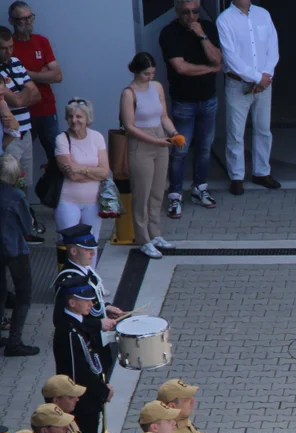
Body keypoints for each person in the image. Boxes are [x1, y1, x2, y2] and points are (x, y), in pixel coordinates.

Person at [160, 0, 221, 220]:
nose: (191, 17)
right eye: (186, 12)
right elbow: (181, 67)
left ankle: (199, 188)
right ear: (177, 12)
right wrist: (210, 69)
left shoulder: (208, 28)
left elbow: (218, 59)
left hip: (209, 99)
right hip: (184, 102)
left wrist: (202, 36)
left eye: (195, 11)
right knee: (180, 150)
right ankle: (175, 193)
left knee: (205, 147)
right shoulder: (169, 33)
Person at [54, 278, 115, 433]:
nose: (91, 304)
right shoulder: (69, 332)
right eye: (85, 300)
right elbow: (76, 371)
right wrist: (101, 390)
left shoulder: (79, 323)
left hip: (89, 391)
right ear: (72, 303)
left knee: (92, 429)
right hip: (80, 395)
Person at [120, 52, 182, 260]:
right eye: (146, 73)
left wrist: (173, 134)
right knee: (142, 193)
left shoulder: (157, 87)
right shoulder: (129, 93)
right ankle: (143, 238)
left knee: (158, 191)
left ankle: (156, 234)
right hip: (141, 143)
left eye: (152, 73)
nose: (150, 77)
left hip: (160, 137)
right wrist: (155, 140)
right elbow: (129, 126)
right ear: (137, 72)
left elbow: (163, 115)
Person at [217, 0, 280, 196]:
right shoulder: (224, 20)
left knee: (263, 129)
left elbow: (272, 48)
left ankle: (262, 172)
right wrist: (256, 77)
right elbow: (230, 57)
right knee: (235, 132)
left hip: (264, 84)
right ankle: (236, 176)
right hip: (238, 85)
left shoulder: (263, 14)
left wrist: (265, 76)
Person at [53, 224, 123, 377]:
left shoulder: (85, 270)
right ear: (73, 251)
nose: (92, 253)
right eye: (87, 249)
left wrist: (106, 308)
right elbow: (61, 319)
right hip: (86, 343)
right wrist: (98, 323)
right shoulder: (68, 280)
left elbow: (90, 301)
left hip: (97, 339)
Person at [9, 2, 62, 164]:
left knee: (58, 158)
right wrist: (42, 73)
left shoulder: (42, 42)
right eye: (23, 19)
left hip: (46, 109)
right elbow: (8, 80)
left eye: (30, 17)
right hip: (20, 114)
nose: (28, 22)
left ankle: (56, 190)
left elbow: (58, 76)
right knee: (16, 163)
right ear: (12, 21)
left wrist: (23, 72)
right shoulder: (8, 46)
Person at [54, 100, 110, 252]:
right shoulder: (62, 139)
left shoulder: (97, 137)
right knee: (69, 246)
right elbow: (71, 175)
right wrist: (94, 172)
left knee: (91, 246)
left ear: (88, 119)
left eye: (79, 116)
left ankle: (89, 276)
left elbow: (105, 172)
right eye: (70, 116)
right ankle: (69, 275)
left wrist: (81, 169)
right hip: (68, 202)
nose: (74, 120)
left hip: (93, 203)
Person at [0, 152, 36, 356]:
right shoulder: (17, 196)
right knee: (24, 293)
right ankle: (15, 341)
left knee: (1, 291)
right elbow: (27, 228)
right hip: (14, 249)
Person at [0, 26, 39, 194]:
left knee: (25, 181)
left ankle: (24, 213)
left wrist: (21, 96)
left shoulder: (16, 62)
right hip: (9, 135)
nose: (8, 52)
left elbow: (37, 95)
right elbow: (17, 100)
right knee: (9, 181)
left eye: (11, 47)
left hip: (26, 131)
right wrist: (25, 92)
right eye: (3, 48)